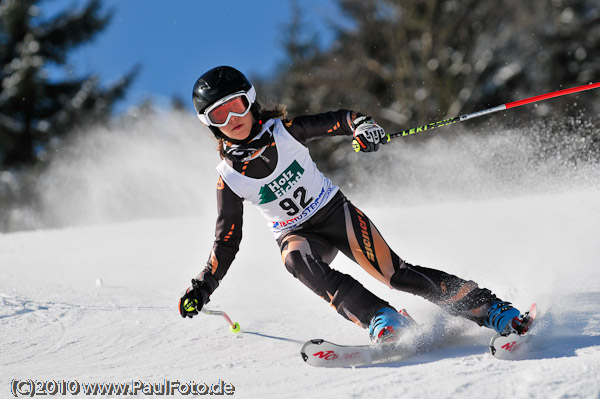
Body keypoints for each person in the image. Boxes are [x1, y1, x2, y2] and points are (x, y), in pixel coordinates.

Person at [179, 65, 527, 343]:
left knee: (396, 274)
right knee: (294, 259)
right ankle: (381, 317)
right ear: (210, 125)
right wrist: (204, 284)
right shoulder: (229, 177)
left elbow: (341, 120)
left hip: (334, 213)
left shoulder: (285, 131)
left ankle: (489, 308)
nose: (231, 120)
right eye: (218, 115)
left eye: (235, 106)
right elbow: (226, 240)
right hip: (296, 233)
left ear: (250, 102)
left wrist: (363, 127)